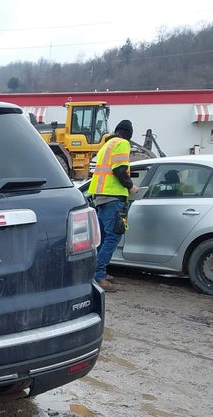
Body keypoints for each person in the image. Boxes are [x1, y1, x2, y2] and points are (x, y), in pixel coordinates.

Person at [87, 119, 138, 291]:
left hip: (100, 197)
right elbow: (119, 170)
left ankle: (93, 272)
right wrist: (131, 186)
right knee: (113, 236)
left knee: (101, 239)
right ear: (128, 135)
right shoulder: (122, 143)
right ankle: (98, 276)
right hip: (113, 197)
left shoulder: (106, 145)